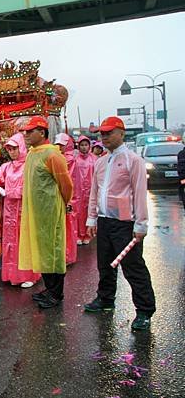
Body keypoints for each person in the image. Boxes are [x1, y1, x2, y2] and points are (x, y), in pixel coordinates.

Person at [83, 116, 155, 331]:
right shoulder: (101, 162)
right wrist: (92, 218)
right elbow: (94, 192)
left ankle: (144, 310)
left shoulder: (134, 160)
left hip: (126, 223)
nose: (104, 137)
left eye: (108, 133)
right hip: (105, 221)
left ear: (121, 133)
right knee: (104, 264)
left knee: (133, 268)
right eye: (102, 134)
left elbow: (140, 193)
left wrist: (141, 224)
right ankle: (105, 299)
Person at [18, 116, 73, 309]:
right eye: (25, 131)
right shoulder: (33, 153)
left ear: (42, 132)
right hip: (36, 213)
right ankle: (49, 288)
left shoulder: (53, 155)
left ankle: (56, 293)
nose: (26, 134)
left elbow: (66, 185)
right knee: (42, 251)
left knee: (53, 251)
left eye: (30, 131)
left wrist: (61, 205)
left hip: (50, 212)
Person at [0, 133, 40, 287]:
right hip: (9, 213)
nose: (12, 152)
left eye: (14, 148)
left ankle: (28, 275)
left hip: (25, 211)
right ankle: (12, 274)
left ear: (21, 147)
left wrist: (7, 191)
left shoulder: (30, 165)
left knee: (24, 242)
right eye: (9, 149)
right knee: (10, 243)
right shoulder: (7, 167)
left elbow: (32, 188)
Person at [54, 133, 78, 265]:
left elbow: (67, 181)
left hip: (68, 197)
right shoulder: (60, 158)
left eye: (62, 145)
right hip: (61, 196)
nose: (59, 147)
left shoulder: (68, 159)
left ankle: (67, 256)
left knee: (68, 227)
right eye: (57, 144)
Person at [74, 136, 96, 244]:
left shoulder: (94, 159)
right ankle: (78, 235)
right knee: (78, 212)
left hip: (90, 190)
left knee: (89, 211)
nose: (84, 147)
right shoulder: (75, 159)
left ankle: (88, 235)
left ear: (89, 146)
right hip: (78, 190)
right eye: (81, 145)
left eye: (86, 145)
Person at [178, 143, 185, 210]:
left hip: (183, 177)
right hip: (183, 177)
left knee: (182, 188)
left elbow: (180, 166)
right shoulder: (181, 154)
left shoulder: (181, 153)